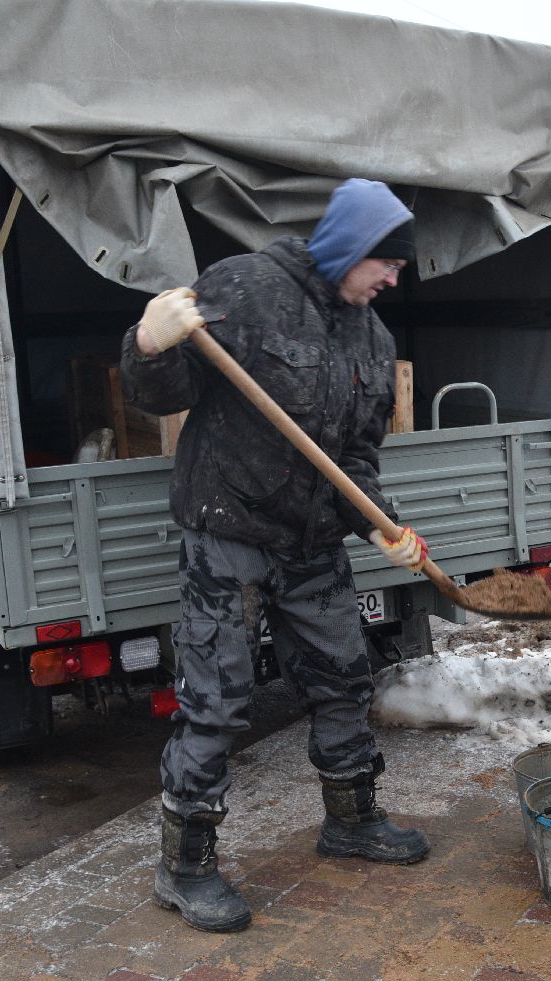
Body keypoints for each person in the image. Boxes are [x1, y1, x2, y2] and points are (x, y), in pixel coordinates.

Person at [121, 178, 433, 934]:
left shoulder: (373, 339)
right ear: (351, 247)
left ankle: (351, 820)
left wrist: (380, 525)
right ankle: (184, 868)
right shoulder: (247, 288)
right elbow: (160, 394)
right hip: (228, 530)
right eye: (387, 264)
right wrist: (149, 344)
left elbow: (356, 457)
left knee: (343, 677)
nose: (393, 280)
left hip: (312, 539)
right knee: (217, 701)